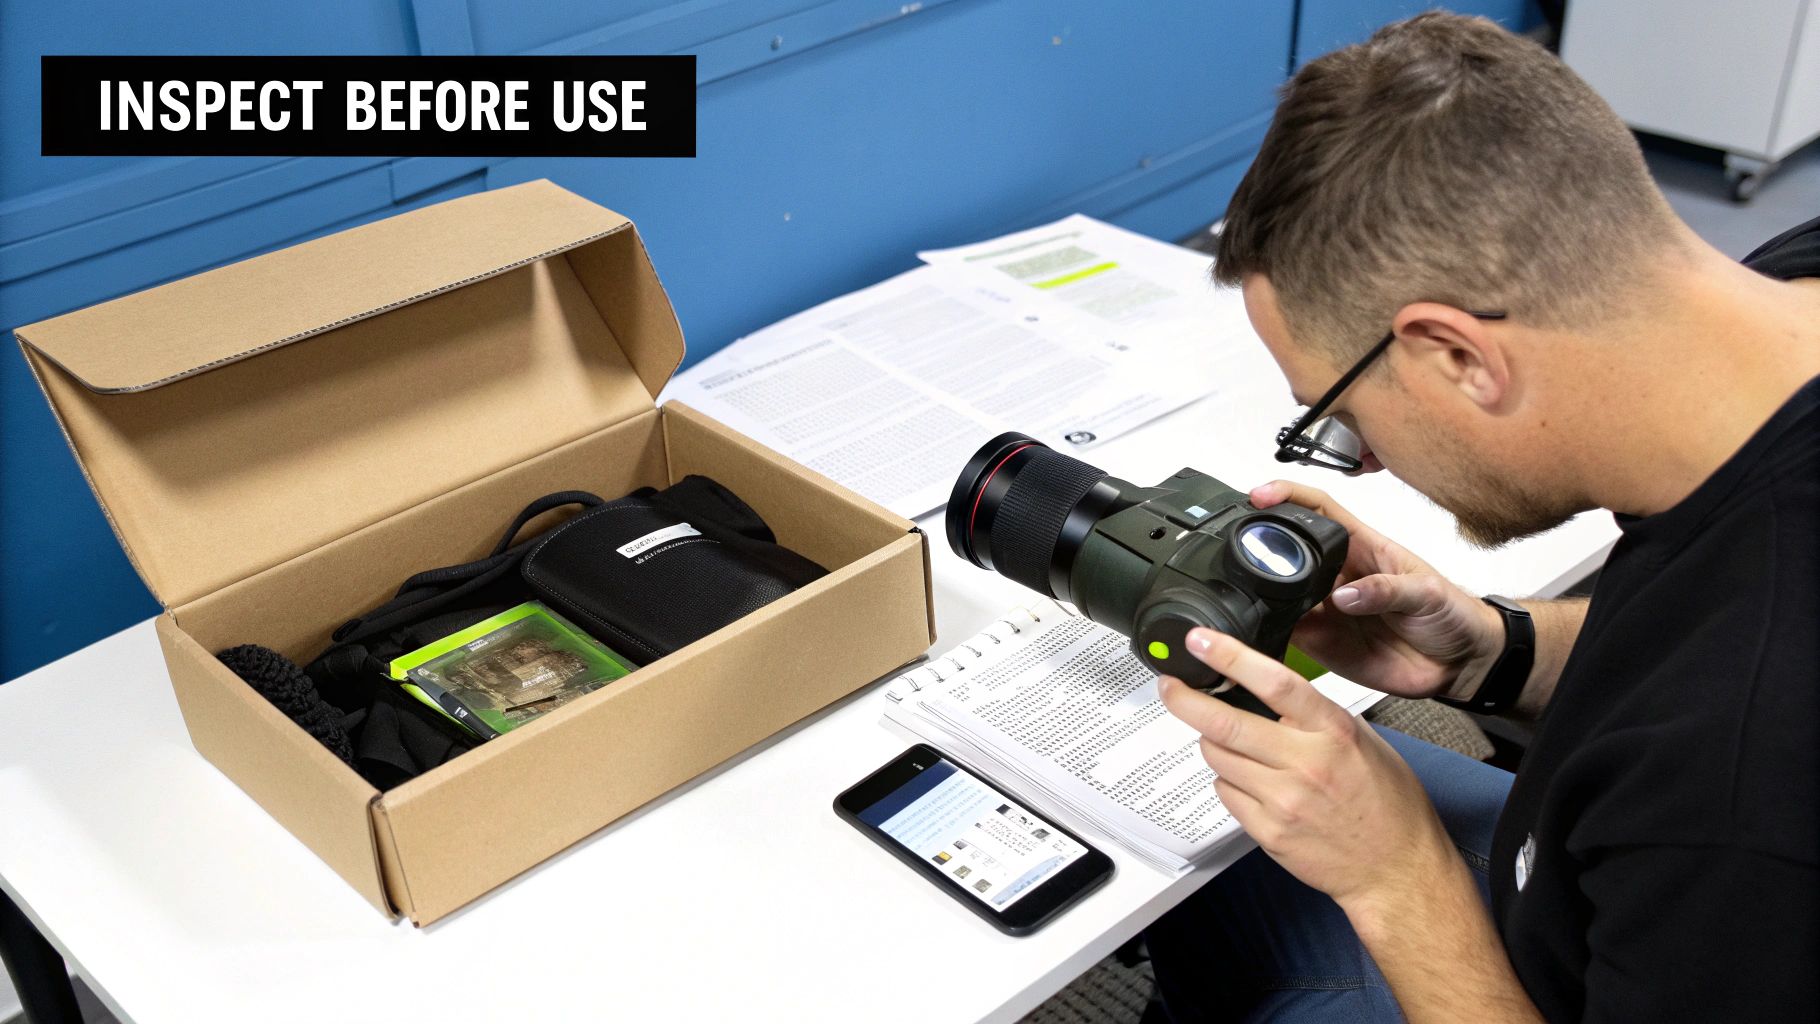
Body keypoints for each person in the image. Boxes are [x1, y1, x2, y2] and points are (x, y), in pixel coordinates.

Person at [1143, 12, 1819, 1023]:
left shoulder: (1736, 788)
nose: (1360, 461)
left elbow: (1722, 705)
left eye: (1340, 419)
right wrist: (1489, 653)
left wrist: (1395, 880)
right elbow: (1692, 636)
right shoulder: (1775, 300)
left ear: (1457, 355)